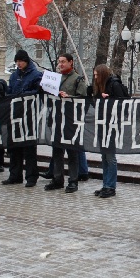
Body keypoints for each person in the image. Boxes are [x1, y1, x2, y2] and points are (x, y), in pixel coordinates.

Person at [45, 53, 89, 193]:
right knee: (57, 152)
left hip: (71, 122)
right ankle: (57, 179)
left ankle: (73, 181)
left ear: (71, 62)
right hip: (57, 120)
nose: (61, 64)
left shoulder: (78, 79)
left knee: (72, 153)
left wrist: (69, 97)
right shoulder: (56, 79)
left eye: (63, 62)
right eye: (59, 62)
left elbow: (83, 100)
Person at [3, 50, 43, 187]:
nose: (18, 64)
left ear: (26, 61)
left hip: (29, 116)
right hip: (14, 115)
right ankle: (15, 175)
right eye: (17, 61)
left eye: (21, 61)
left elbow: (38, 91)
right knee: (14, 148)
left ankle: (31, 177)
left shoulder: (36, 74)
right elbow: (9, 90)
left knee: (29, 149)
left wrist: (22, 95)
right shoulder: (14, 76)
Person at [90, 64, 128, 198]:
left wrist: (109, 100)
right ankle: (106, 184)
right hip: (102, 123)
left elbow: (123, 103)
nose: (95, 77)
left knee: (110, 157)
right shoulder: (100, 86)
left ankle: (111, 186)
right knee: (104, 156)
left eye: (97, 75)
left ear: (103, 74)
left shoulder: (114, 84)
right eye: (94, 75)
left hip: (111, 124)